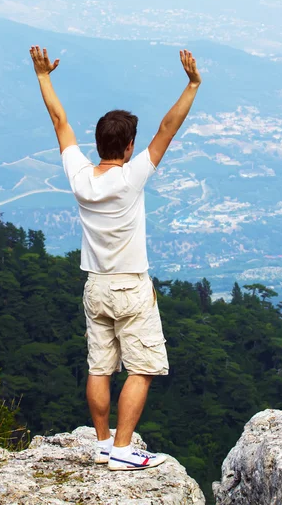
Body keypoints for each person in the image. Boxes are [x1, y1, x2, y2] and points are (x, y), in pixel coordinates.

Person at [30, 45, 202, 470]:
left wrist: (43, 76)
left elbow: (59, 120)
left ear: (97, 144)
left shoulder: (80, 177)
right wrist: (193, 83)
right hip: (130, 286)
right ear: (127, 147)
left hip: (95, 285)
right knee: (141, 368)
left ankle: (104, 442)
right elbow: (168, 127)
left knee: (100, 368)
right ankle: (124, 451)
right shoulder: (131, 178)